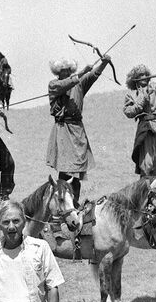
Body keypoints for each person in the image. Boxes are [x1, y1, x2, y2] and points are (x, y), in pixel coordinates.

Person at [45, 56, 111, 204]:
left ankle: (74, 203)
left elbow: (93, 76)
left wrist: (104, 63)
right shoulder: (54, 85)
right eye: (63, 71)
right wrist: (81, 72)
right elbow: (65, 85)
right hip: (63, 130)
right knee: (65, 170)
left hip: (77, 130)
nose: (66, 73)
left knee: (77, 173)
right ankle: (62, 204)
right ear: (57, 73)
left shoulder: (78, 83)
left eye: (68, 70)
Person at [124, 64, 156, 177]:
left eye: (145, 74)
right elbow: (129, 112)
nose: (144, 76)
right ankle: (145, 189)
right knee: (147, 164)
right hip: (145, 130)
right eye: (140, 75)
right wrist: (141, 101)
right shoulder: (131, 94)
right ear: (135, 79)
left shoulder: (155, 88)